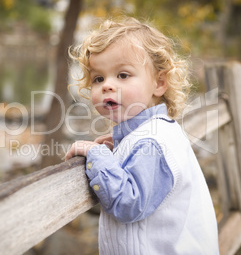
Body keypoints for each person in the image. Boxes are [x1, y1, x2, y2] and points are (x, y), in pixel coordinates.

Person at [64, 17, 219, 254]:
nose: (107, 85)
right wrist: (117, 151)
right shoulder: (155, 132)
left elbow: (129, 202)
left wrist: (97, 155)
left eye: (123, 75)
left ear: (159, 83)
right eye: (98, 78)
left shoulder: (152, 141)